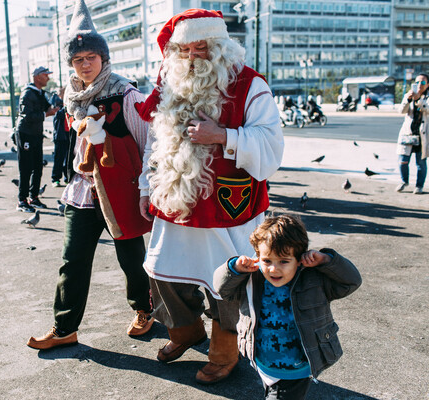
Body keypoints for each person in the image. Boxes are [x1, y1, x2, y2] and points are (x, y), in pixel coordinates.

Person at [136, 8, 283, 384]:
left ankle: (225, 349)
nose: (192, 57)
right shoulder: (170, 82)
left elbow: (272, 146)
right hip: (175, 200)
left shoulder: (251, 85)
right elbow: (155, 141)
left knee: (226, 280)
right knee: (162, 273)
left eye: (201, 48)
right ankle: (186, 332)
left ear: (220, 47)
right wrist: (144, 185)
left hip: (227, 206)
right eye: (184, 50)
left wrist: (223, 136)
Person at [27, 0, 153, 350]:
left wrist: (147, 189)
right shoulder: (70, 94)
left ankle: (145, 309)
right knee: (73, 259)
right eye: (77, 59)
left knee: (131, 259)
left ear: (103, 58)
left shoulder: (125, 92)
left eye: (90, 58)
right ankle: (65, 327)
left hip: (120, 189)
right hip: (81, 189)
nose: (84, 65)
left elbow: (147, 142)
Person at [213, 214, 362, 399]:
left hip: (297, 367)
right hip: (263, 363)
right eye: (267, 261)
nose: (274, 269)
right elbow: (221, 289)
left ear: (299, 259)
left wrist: (326, 260)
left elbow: (352, 281)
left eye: (284, 261)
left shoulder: (314, 280)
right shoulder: (251, 279)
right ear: (258, 257)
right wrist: (233, 267)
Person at [14, 66, 60, 212]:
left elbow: (49, 107)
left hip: (36, 134)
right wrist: (47, 114)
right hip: (25, 133)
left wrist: (59, 102)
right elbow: (26, 116)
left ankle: (34, 197)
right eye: (46, 75)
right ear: (37, 77)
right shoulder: (27, 93)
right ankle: (22, 200)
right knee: (26, 168)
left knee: (38, 167)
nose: (48, 78)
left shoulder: (40, 93)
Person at [395, 73, 429, 195]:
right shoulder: (408, 95)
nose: (420, 85)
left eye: (423, 82)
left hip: (422, 135)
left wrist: (418, 100)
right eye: (417, 82)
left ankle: (419, 186)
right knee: (402, 160)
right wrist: (408, 100)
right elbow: (401, 111)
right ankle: (404, 181)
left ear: (428, 84)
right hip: (407, 134)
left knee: (421, 162)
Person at [51, 87, 70, 187]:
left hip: (68, 134)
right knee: (58, 158)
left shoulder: (69, 102)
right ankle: (55, 178)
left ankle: (67, 177)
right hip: (60, 135)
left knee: (68, 158)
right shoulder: (57, 102)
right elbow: (58, 113)